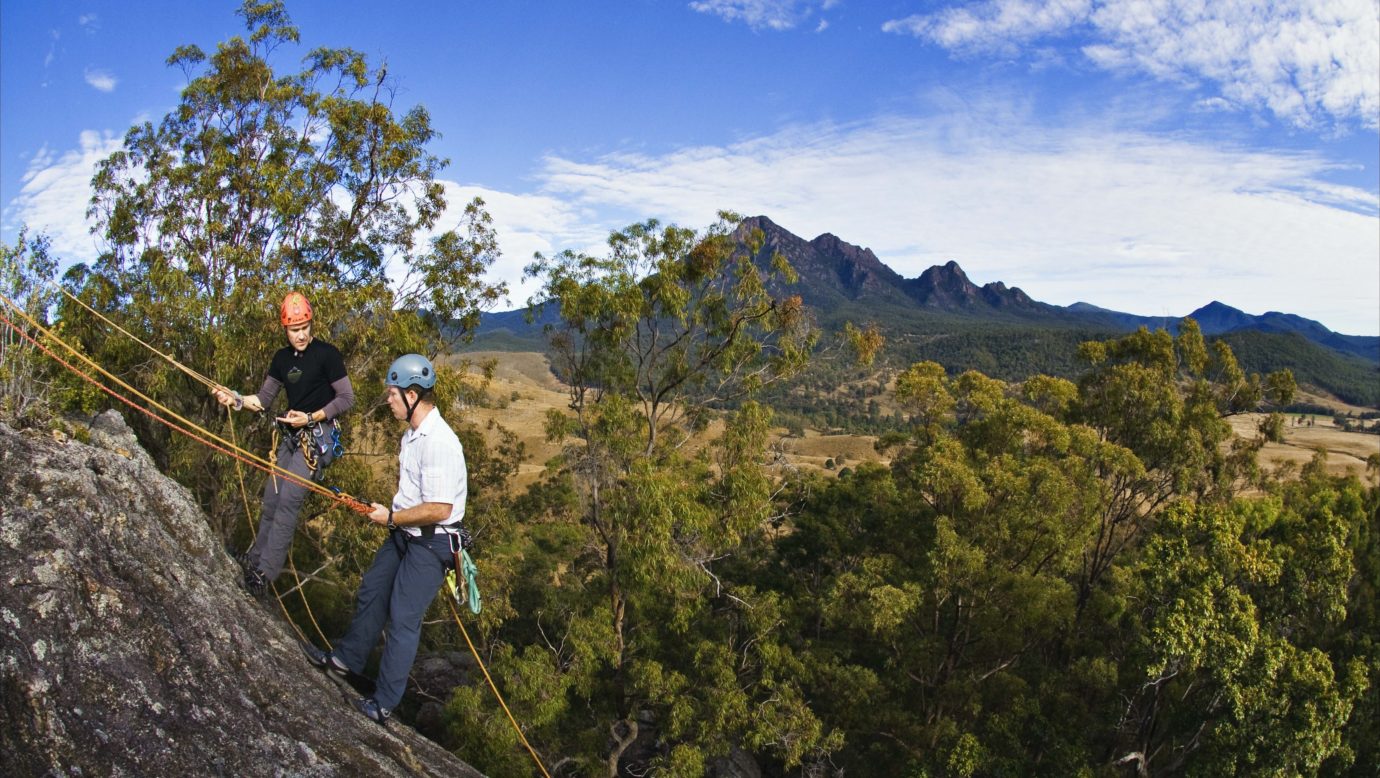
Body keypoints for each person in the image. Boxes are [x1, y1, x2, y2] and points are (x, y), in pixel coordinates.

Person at [300, 353, 467, 724]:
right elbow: (415, 496)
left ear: (412, 395)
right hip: (405, 531)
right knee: (373, 590)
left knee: (403, 617)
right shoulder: (412, 436)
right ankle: (346, 660)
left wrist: (390, 517)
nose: (388, 399)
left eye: (392, 393)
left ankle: (385, 702)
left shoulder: (438, 442)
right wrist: (391, 514)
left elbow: (440, 508)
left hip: (433, 541)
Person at [212, 291, 355, 596]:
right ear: (285, 330)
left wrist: (312, 417)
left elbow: (346, 398)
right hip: (291, 437)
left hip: (317, 437)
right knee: (271, 499)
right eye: (294, 329)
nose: (301, 334)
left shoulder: (327, 354)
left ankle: (264, 574)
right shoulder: (281, 359)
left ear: (311, 323)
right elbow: (262, 401)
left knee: (289, 499)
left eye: (304, 327)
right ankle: (253, 560)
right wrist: (234, 398)